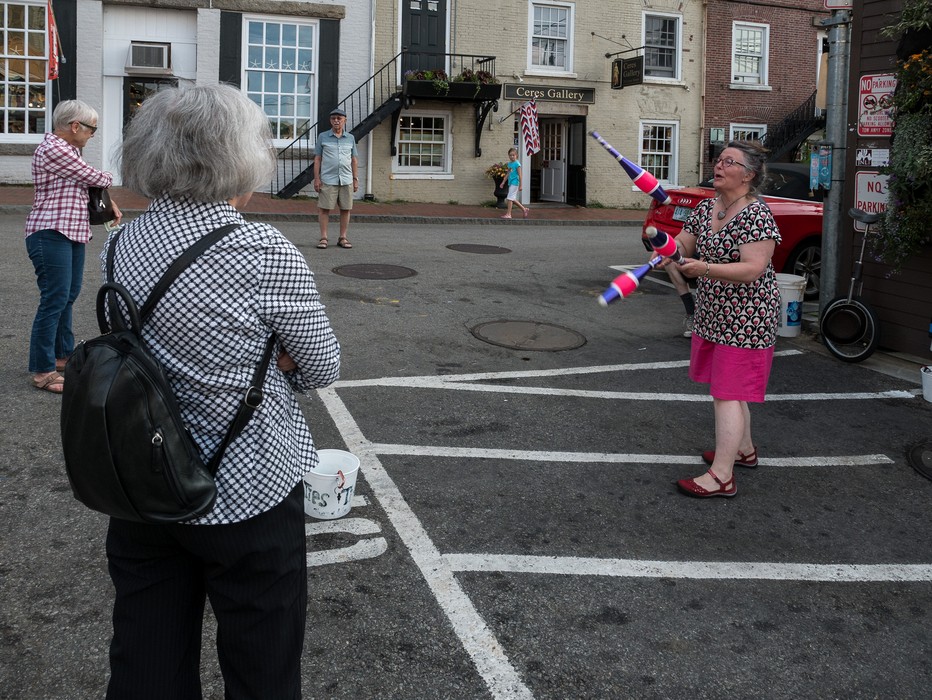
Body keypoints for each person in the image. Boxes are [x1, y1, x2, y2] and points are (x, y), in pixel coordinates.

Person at [101, 84, 341, 698]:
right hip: (246, 484)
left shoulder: (125, 239)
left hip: (145, 477)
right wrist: (276, 359)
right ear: (237, 158)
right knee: (262, 659)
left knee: (145, 653)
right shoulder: (261, 249)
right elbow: (321, 365)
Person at [661, 141, 781, 498]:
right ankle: (742, 449)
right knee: (731, 390)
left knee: (727, 393)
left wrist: (705, 268)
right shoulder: (706, 207)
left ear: (748, 175)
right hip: (715, 313)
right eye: (719, 159)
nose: (719, 165)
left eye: (730, 162)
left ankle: (722, 476)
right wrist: (668, 250)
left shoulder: (756, 215)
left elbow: (753, 269)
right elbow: (683, 243)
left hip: (748, 317)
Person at [25, 99, 122, 393]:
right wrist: (107, 180)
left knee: (68, 295)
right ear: (75, 126)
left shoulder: (70, 151)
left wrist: (110, 201)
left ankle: (62, 355)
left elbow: (88, 184)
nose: (93, 134)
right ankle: (42, 370)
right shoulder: (54, 148)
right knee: (54, 299)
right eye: (92, 129)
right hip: (49, 232)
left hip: (70, 232)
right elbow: (98, 177)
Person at [313, 107, 358, 248]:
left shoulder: (350, 138)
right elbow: (318, 159)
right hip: (328, 179)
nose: (336, 121)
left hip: (346, 179)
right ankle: (324, 238)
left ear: (344, 120)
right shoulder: (323, 137)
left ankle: (343, 237)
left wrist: (355, 179)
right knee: (324, 209)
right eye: (333, 118)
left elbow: (354, 159)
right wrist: (316, 178)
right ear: (330, 121)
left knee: (346, 209)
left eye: (339, 118)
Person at [500, 147, 530, 219]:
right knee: (512, 198)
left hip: (515, 182)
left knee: (509, 198)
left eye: (513, 155)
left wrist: (521, 185)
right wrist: (503, 182)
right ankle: (524, 209)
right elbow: (508, 173)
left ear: (516, 155)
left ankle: (509, 214)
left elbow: (520, 175)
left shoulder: (517, 164)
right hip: (510, 183)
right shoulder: (510, 164)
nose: (512, 156)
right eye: (510, 155)